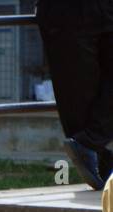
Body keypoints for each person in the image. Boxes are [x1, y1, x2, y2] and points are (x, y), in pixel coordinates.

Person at [36, 0, 113, 189]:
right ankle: (96, 154)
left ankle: (92, 146)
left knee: (78, 98)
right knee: (77, 99)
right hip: (66, 11)